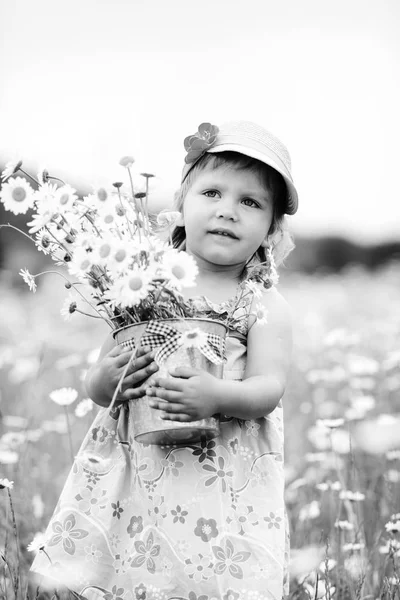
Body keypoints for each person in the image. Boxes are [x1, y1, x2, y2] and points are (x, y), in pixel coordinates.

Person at [30, 120, 298, 600]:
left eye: (250, 202)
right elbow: (100, 381)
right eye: (212, 193)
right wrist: (106, 378)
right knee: (137, 568)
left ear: (272, 229)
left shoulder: (263, 303)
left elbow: (268, 388)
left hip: (222, 473)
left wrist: (216, 395)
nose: (228, 212)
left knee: (216, 575)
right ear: (180, 205)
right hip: (139, 466)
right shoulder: (144, 284)